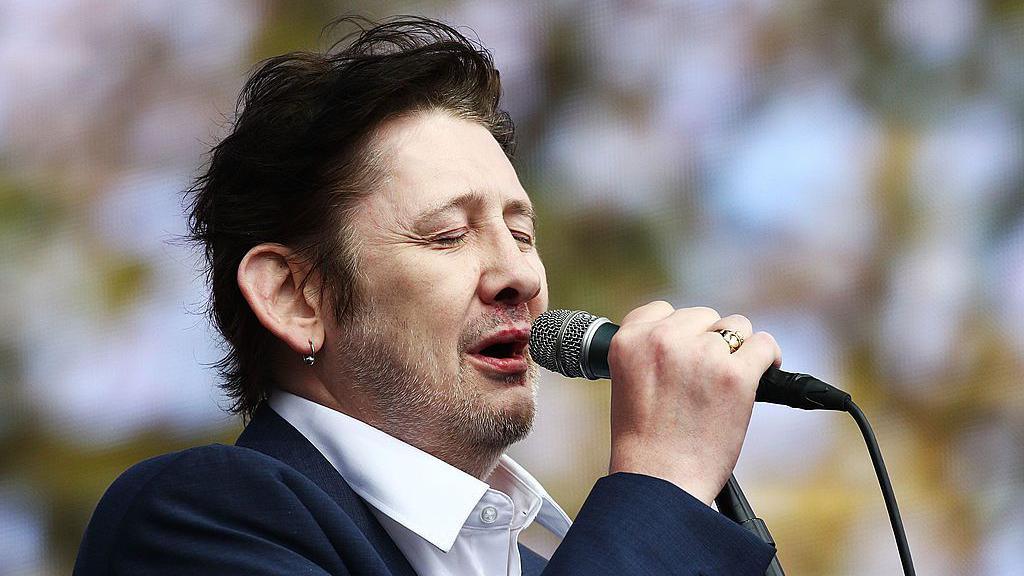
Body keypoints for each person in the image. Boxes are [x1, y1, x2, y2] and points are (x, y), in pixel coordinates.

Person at [74, 17, 782, 575]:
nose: (521, 277)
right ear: (295, 297)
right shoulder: (198, 520)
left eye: (522, 232)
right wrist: (661, 486)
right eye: (448, 235)